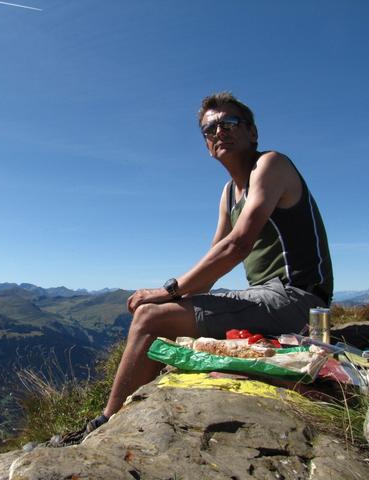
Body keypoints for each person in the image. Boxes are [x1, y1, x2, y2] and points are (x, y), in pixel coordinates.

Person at [56, 91, 333, 445]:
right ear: (206, 144)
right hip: (269, 298)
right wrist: (174, 302)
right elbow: (215, 258)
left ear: (252, 132)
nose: (219, 131)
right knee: (157, 314)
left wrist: (167, 292)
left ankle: (103, 426)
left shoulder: (271, 165)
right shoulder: (229, 193)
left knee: (150, 318)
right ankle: (123, 416)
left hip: (297, 299)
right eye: (210, 129)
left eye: (229, 122)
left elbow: (236, 246)